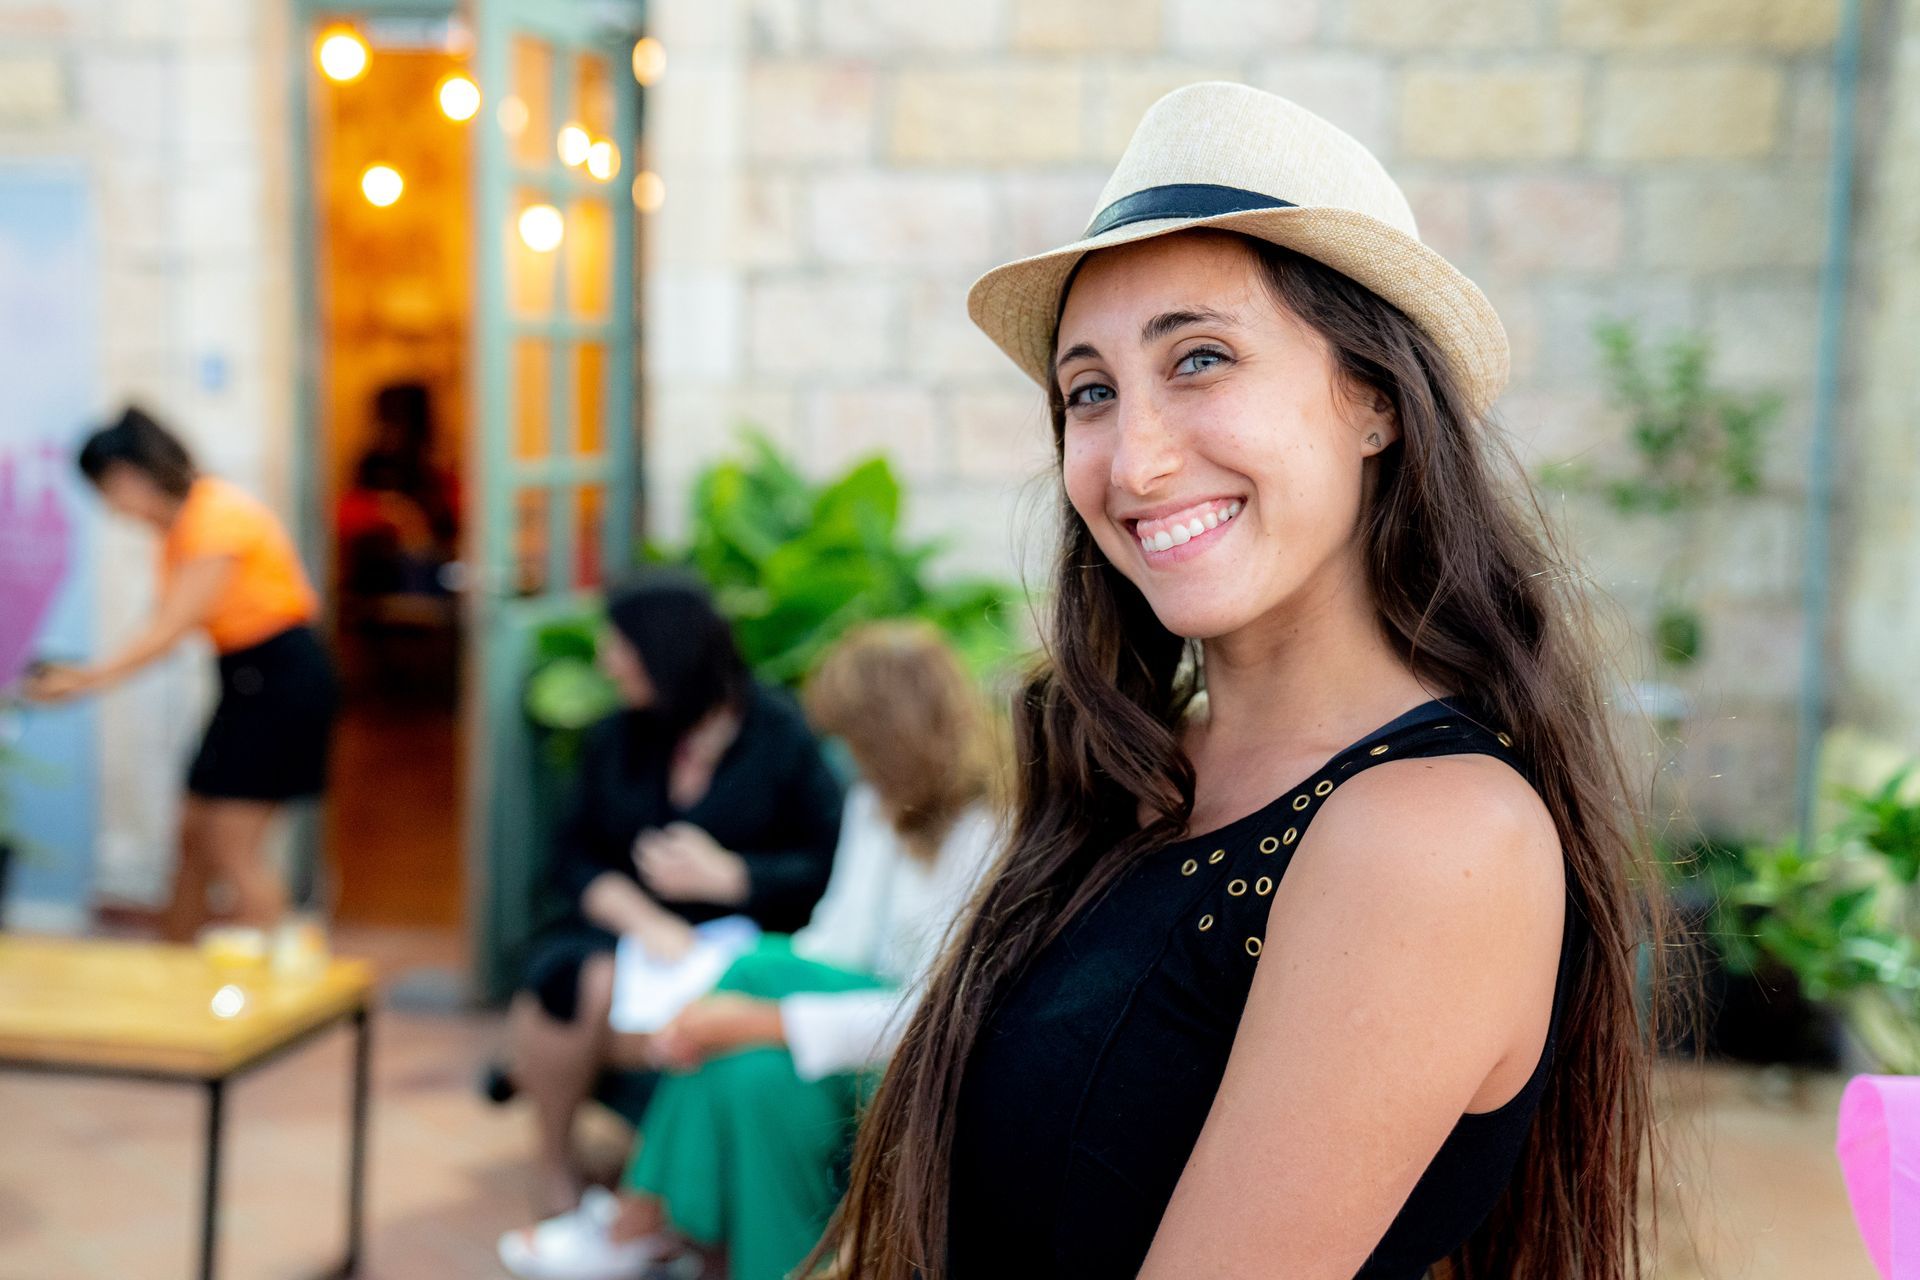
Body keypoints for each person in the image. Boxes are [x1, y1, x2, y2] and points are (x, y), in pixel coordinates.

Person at [816, 83, 1670, 1280]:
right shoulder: (1141, 760)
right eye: (1091, 390)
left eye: (1201, 358)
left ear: (1375, 398)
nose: (1135, 459)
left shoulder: (1432, 835)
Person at [498, 620, 1001, 1280]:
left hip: (923, 1060)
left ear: (892, 733)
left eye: (856, 739)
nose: (847, 758)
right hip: (851, 1033)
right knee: (749, 1076)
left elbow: (937, 1017)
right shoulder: (877, 801)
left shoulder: (989, 828)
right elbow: (834, 944)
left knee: (752, 981)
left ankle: (639, 1220)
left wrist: (758, 1019)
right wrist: (731, 1010)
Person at [509, 572, 844, 1216]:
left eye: (620, 646)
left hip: (749, 931)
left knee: (702, 1003)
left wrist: (733, 877)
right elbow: (571, 854)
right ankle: (555, 1165)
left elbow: (827, 862)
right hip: (625, 926)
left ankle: (663, 1193)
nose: (607, 663)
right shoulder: (618, 736)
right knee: (572, 980)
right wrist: (637, 915)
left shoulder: (780, 737)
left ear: (666, 651)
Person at [25, 406, 336, 940]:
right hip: (245, 680)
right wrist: (87, 674)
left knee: (233, 850)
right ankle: (175, 965)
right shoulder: (183, 528)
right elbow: (162, 624)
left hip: (281, 682)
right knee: (192, 836)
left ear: (128, 476)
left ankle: (282, 977)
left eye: (107, 493)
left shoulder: (217, 518)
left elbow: (170, 628)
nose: (113, 509)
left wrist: (88, 680)